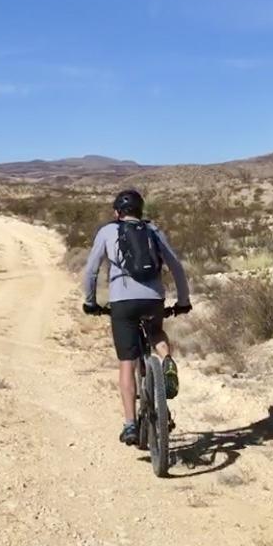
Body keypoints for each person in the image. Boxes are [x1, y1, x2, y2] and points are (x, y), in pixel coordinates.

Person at [82, 189, 192, 445]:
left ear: (116, 212)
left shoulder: (108, 231)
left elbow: (91, 270)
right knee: (155, 332)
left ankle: (130, 424)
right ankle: (166, 360)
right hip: (153, 298)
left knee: (127, 363)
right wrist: (183, 301)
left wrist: (91, 303)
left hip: (123, 303)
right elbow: (176, 267)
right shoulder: (153, 231)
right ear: (141, 211)